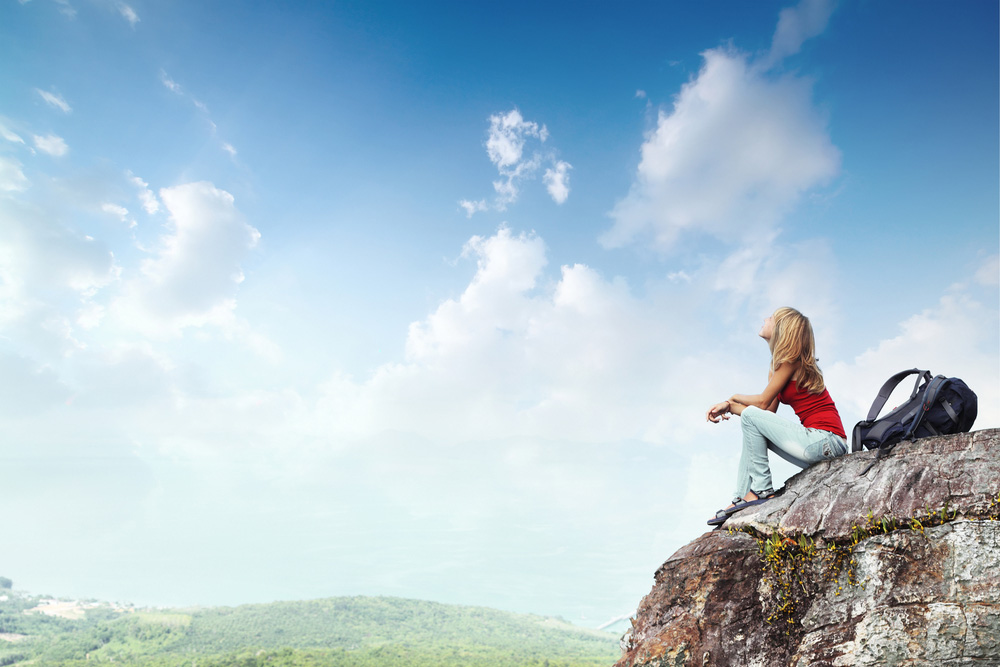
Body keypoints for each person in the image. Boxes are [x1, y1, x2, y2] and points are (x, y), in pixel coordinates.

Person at [705, 307, 847, 526]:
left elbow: (760, 403)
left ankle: (761, 489)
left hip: (827, 441)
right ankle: (741, 497)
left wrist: (731, 399)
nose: (764, 318)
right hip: (816, 446)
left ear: (782, 329)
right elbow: (765, 416)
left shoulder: (792, 361)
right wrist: (731, 407)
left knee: (751, 415)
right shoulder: (777, 367)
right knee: (751, 422)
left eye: (770, 318)